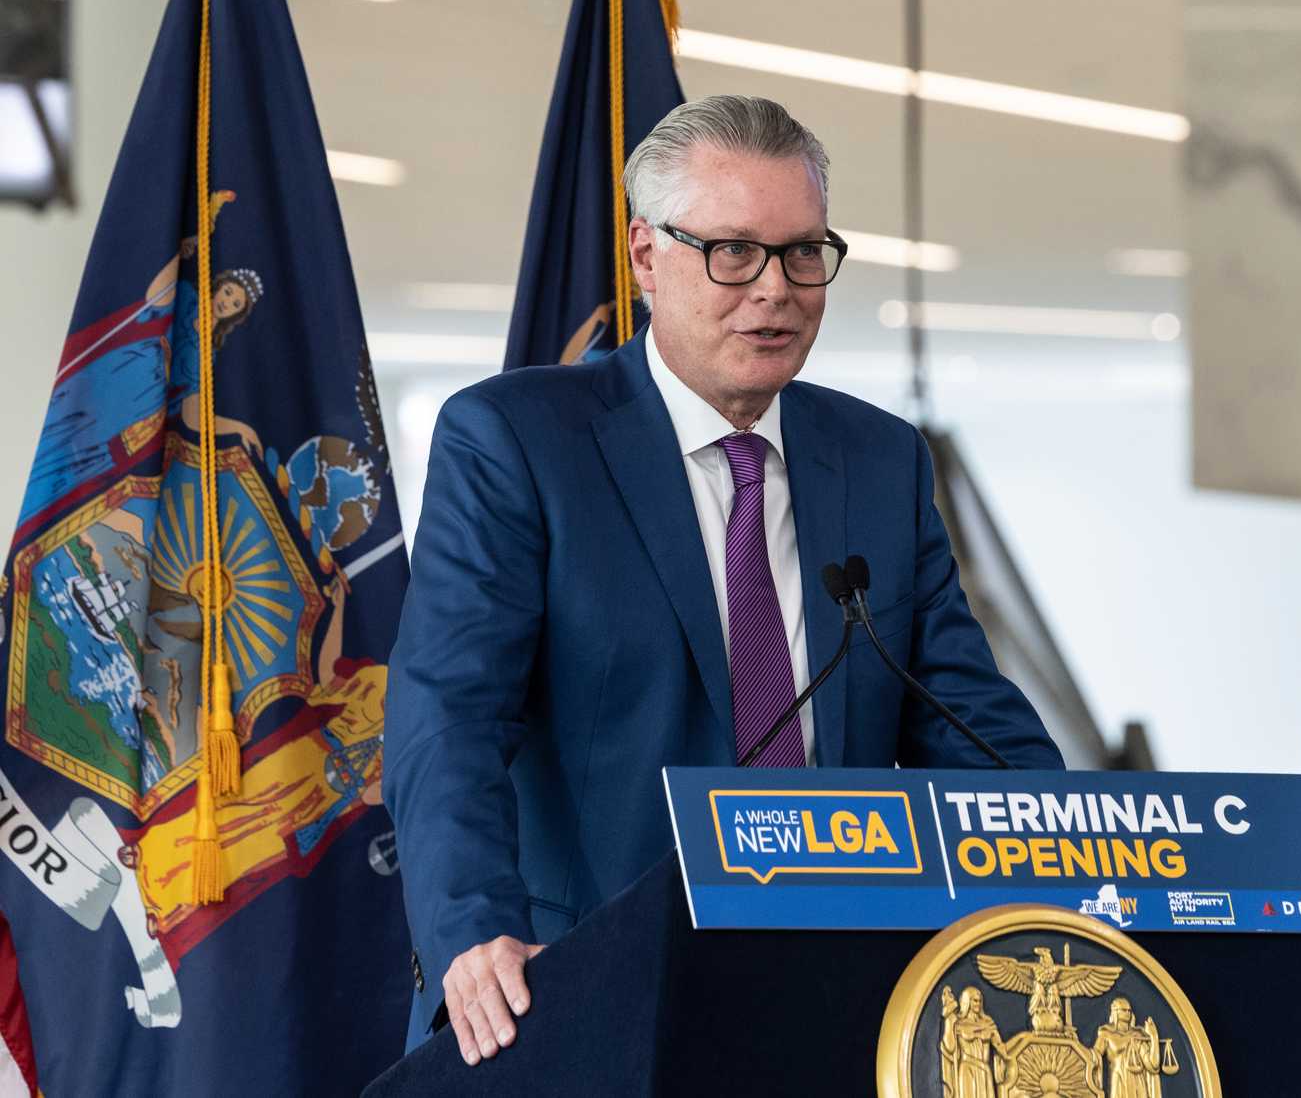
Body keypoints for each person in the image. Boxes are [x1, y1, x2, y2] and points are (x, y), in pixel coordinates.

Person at [383, 94, 1064, 1065]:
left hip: (838, 997)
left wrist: (1092, 862)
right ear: (645, 255)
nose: (775, 289)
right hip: (577, 998)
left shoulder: (880, 461)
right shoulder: (519, 442)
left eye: (801, 252)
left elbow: (970, 725)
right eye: (734, 252)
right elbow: (446, 717)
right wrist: (472, 929)